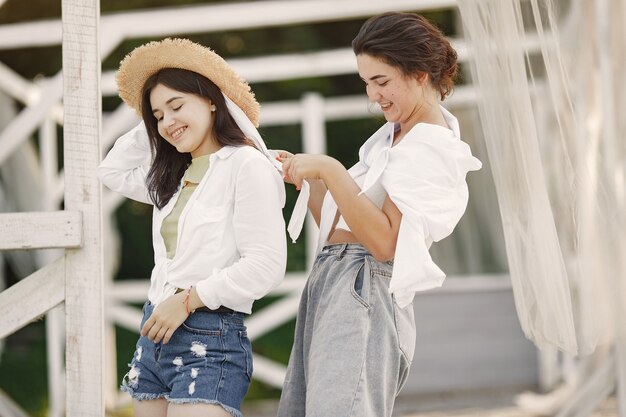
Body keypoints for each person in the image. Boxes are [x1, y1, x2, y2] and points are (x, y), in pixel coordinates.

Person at [276, 12, 482, 417]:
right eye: (367, 83)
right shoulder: (392, 136)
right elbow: (343, 229)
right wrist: (312, 180)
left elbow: (385, 243)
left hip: (363, 286)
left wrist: (332, 169)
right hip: (332, 277)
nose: (373, 95)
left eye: (382, 81)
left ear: (419, 74)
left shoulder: (430, 145)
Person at [97, 38, 287, 417]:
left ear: (212, 100)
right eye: (157, 115)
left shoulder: (246, 165)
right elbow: (111, 171)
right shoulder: (171, 177)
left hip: (209, 337)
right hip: (153, 336)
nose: (168, 122)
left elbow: (265, 266)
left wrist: (186, 301)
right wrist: (154, 124)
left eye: (177, 105)